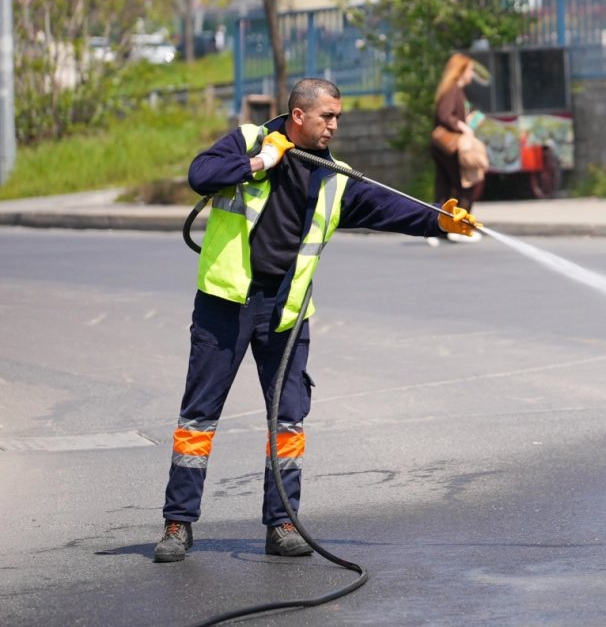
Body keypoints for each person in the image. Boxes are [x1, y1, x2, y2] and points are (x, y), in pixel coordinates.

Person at [154, 78, 480, 563]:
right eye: (328, 116)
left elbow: (383, 207)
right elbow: (201, 175)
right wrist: (263, 160)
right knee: (199, 416)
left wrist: (438, 220)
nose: (334, 125)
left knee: (288, 420)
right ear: (299, 115)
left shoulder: (334, 175)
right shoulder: (247, 140)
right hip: (227, 304)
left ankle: (282, 523)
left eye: (338, 117)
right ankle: (178, 524)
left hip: (285, 312)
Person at [430, 53, 489, 242]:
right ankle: (458, 229)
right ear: (461, 71)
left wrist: (469, 119)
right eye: (470, 69)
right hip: (450, 148)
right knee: (467, 185)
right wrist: (463, 126)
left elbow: (450, 115)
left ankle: (435, 230)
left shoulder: (454, 90)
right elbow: (445, 115)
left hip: (442, 148)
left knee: (444, 189)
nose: (472, 74)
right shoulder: (453, 89)